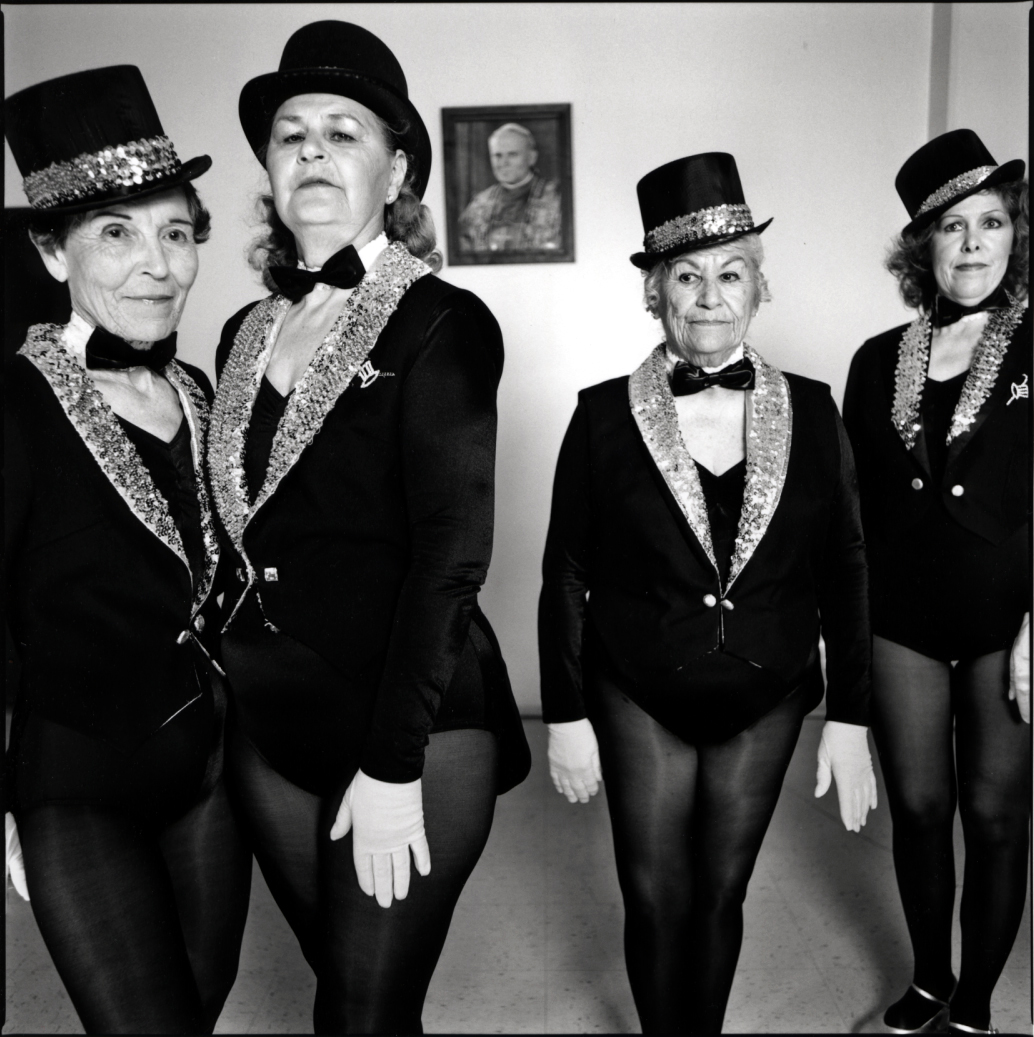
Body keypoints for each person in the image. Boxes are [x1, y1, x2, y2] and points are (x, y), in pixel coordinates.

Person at [207, 21, 531, 1034]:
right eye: (290, 133)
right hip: (271, 720)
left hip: (415, 721)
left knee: (355, 1007)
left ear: (395, 169)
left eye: (342, 131)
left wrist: (392, 764)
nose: (310, 148)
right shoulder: (240, 331)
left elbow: (451, 556)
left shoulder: (444, 321)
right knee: (352, 987)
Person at [539, 152, 878, 1035]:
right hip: (636, 686)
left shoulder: (816, 408)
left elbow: (845, 564)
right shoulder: (601, 415)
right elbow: (564, 573)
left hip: (767, 690)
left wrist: (852, 713)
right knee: (655, 895)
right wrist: (566, 713)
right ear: (655, 293)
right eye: (685, 277)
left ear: (759, 288)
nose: (709, 297)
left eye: (731, 275)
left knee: (721, 892)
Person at [3, 66, 251, 1034]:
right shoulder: (13, 404)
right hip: (76, 781)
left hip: (209, 772)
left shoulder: (198, 387)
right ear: (52, 253)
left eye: (176, 232)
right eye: (116, 232)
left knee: (200, 1003)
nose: (157, 264)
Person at [843, 129, 1030, 1036]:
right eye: (950, 226)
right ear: (922, 246)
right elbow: (851, 508)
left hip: (1008, 619)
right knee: (920, 808)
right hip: (903, 616)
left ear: (1013, 234)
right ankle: (928, 981)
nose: (971, 244)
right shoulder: (878, 357)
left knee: (995, 816)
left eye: (990, 222)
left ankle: (979, 1008)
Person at [458, 122, 562, 253]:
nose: (503, 163)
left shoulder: (556, 198)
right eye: (497, 155)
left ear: (532, 157)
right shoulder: (479, 203)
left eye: (512, 155)